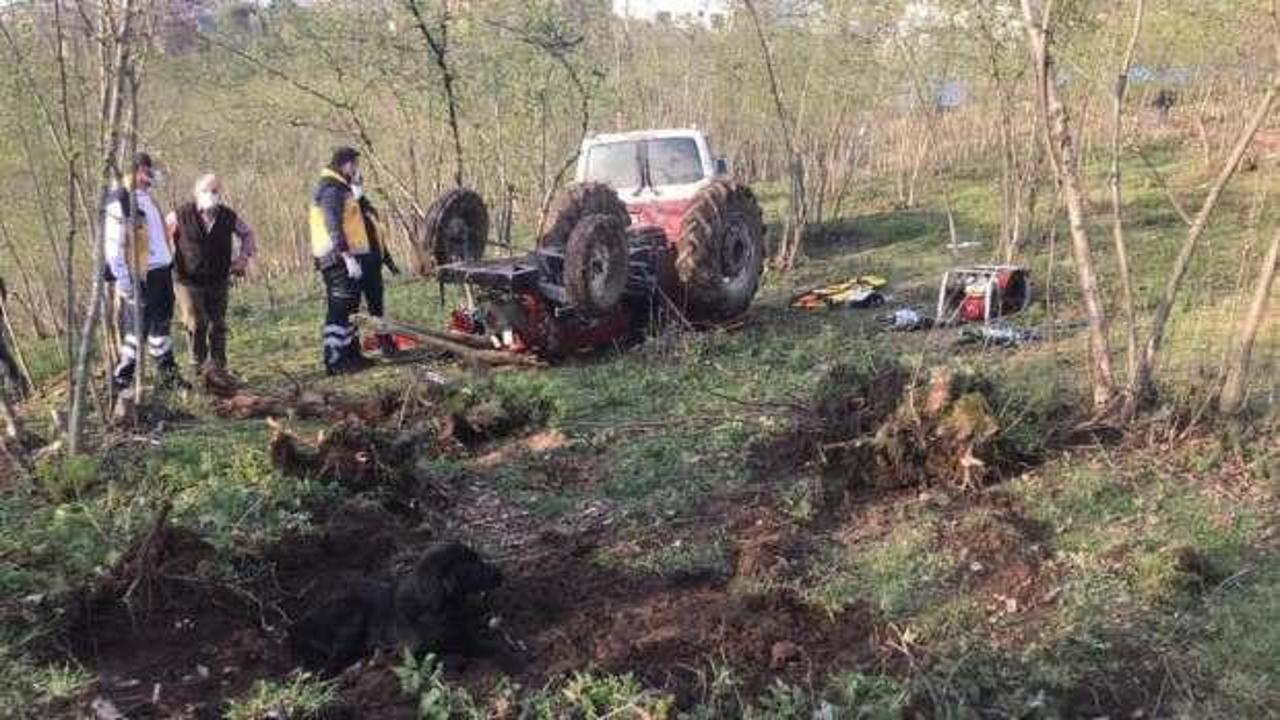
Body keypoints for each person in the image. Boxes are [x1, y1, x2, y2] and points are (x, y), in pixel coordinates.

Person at [104, 152, 188, 398]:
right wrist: (124, 281)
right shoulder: (120, 199)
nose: (151, 175)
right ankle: (121, 379)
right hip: (141, 276)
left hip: (161, 273)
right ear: (138, 170)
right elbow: (113, 246)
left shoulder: (147, 199)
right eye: (148, 170)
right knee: (136, 331)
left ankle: (168, 375)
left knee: (159, 328)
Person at [166, 173, 257, 387]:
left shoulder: (227, 216)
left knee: (218, 324)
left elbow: (248, 234)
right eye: (206, 190)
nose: (211, 195)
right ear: (197, 193)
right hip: (187, 279)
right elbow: (162, 234)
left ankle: (218, 368)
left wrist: (242, 260)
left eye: (215, 191)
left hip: (218, 278)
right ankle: (198, 367)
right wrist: (163, 259)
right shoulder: (181, 214)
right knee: (197, 323)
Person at [309, 146, 373, 375]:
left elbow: (352, 218)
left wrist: (357, 191)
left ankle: (352, 355)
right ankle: (335, 359)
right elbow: (333, 225)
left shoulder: (341, 187)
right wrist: (346, 256)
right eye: (355, 165)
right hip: (336, 258)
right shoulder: (330, 189)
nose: (356, 169)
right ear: (346, 164)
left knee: (351, 307)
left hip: (347, 257)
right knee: (339, 307)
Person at [350, 172, 401, 357]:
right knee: (354, 310)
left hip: (374, 264)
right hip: (358, 264)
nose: (359, 186)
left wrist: (390, 263)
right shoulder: (349, 210)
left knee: (377, 308)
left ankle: (385, 342)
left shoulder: (369, 208)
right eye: (356, 183)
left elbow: (379, 239)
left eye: (360, 183)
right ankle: (354, 348)